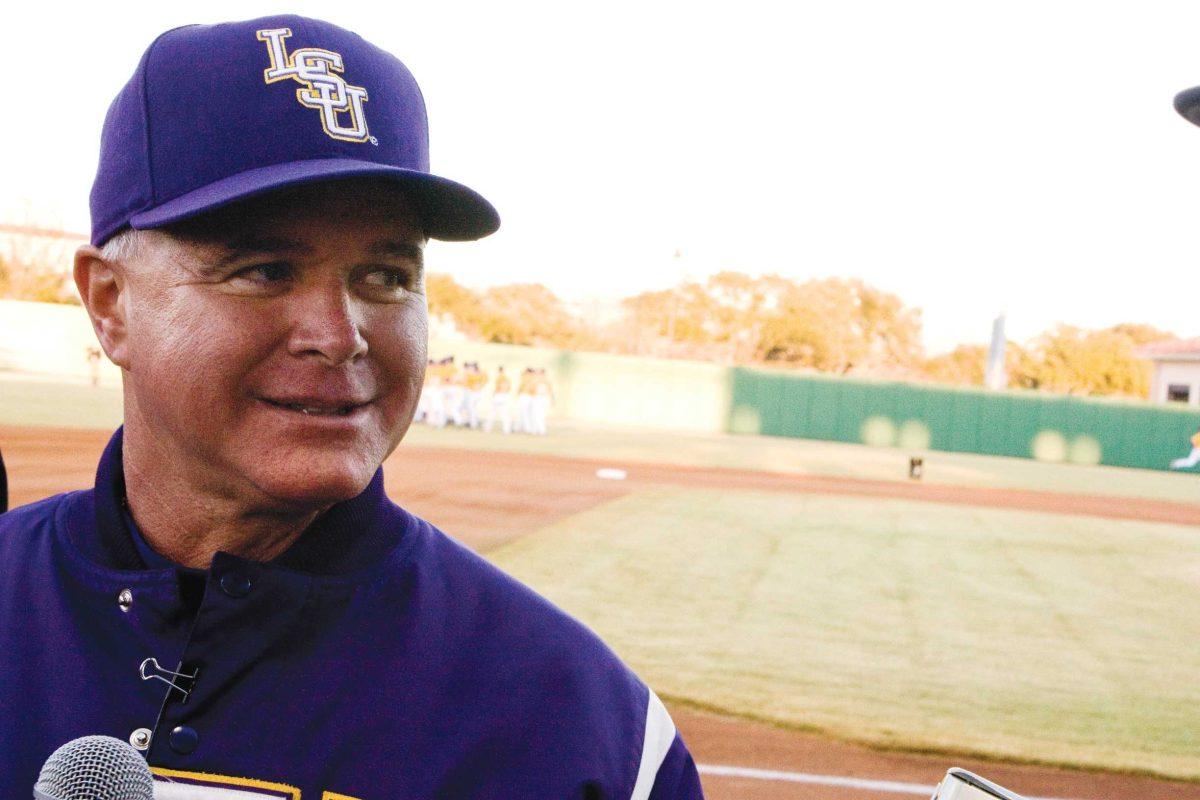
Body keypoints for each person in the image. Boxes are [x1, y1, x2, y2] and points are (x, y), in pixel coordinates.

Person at [0, 15, 703, 799]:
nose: (340, 336)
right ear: (110, 304)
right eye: (264, 270)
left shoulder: (587, 730)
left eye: (388, 277)